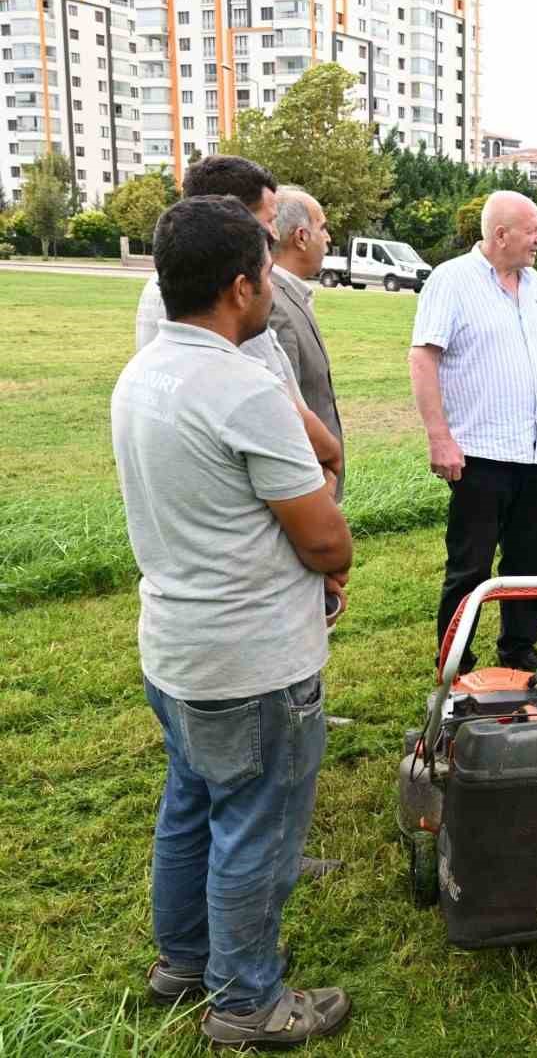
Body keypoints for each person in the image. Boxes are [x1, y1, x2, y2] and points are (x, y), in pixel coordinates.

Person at [113, 195, 353, 1048]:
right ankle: (248, 1000)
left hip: (175, 647)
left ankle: (184, 958)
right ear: (244, 286)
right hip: (251, 658)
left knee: (190, 802)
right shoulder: (244, 388)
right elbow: (323, 536)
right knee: (256, 821)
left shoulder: (143, 371)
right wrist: (338, 563)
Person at [409, 191, 537, 674]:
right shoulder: (451, 280)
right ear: (501, 235)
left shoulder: (536, 282)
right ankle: (455, 659)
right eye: (533, 230)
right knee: (470, 567)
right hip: (480, 453)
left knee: (528, 562)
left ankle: (518, 649)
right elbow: (423, 358)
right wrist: (440, 438)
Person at [136, 155, 343, 487]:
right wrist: (331, 461)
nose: (276, 233)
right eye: (270, 219)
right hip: (264, 491)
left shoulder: (165, 281)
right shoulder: (237, 299)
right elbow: (280, 409)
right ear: (232, 216)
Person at [269, 187, 346, 502]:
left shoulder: (291, 296)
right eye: (323, 227)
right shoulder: (274, 304)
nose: (328, 238)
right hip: (305, 487)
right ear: (301, 237)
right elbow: (283, 412)